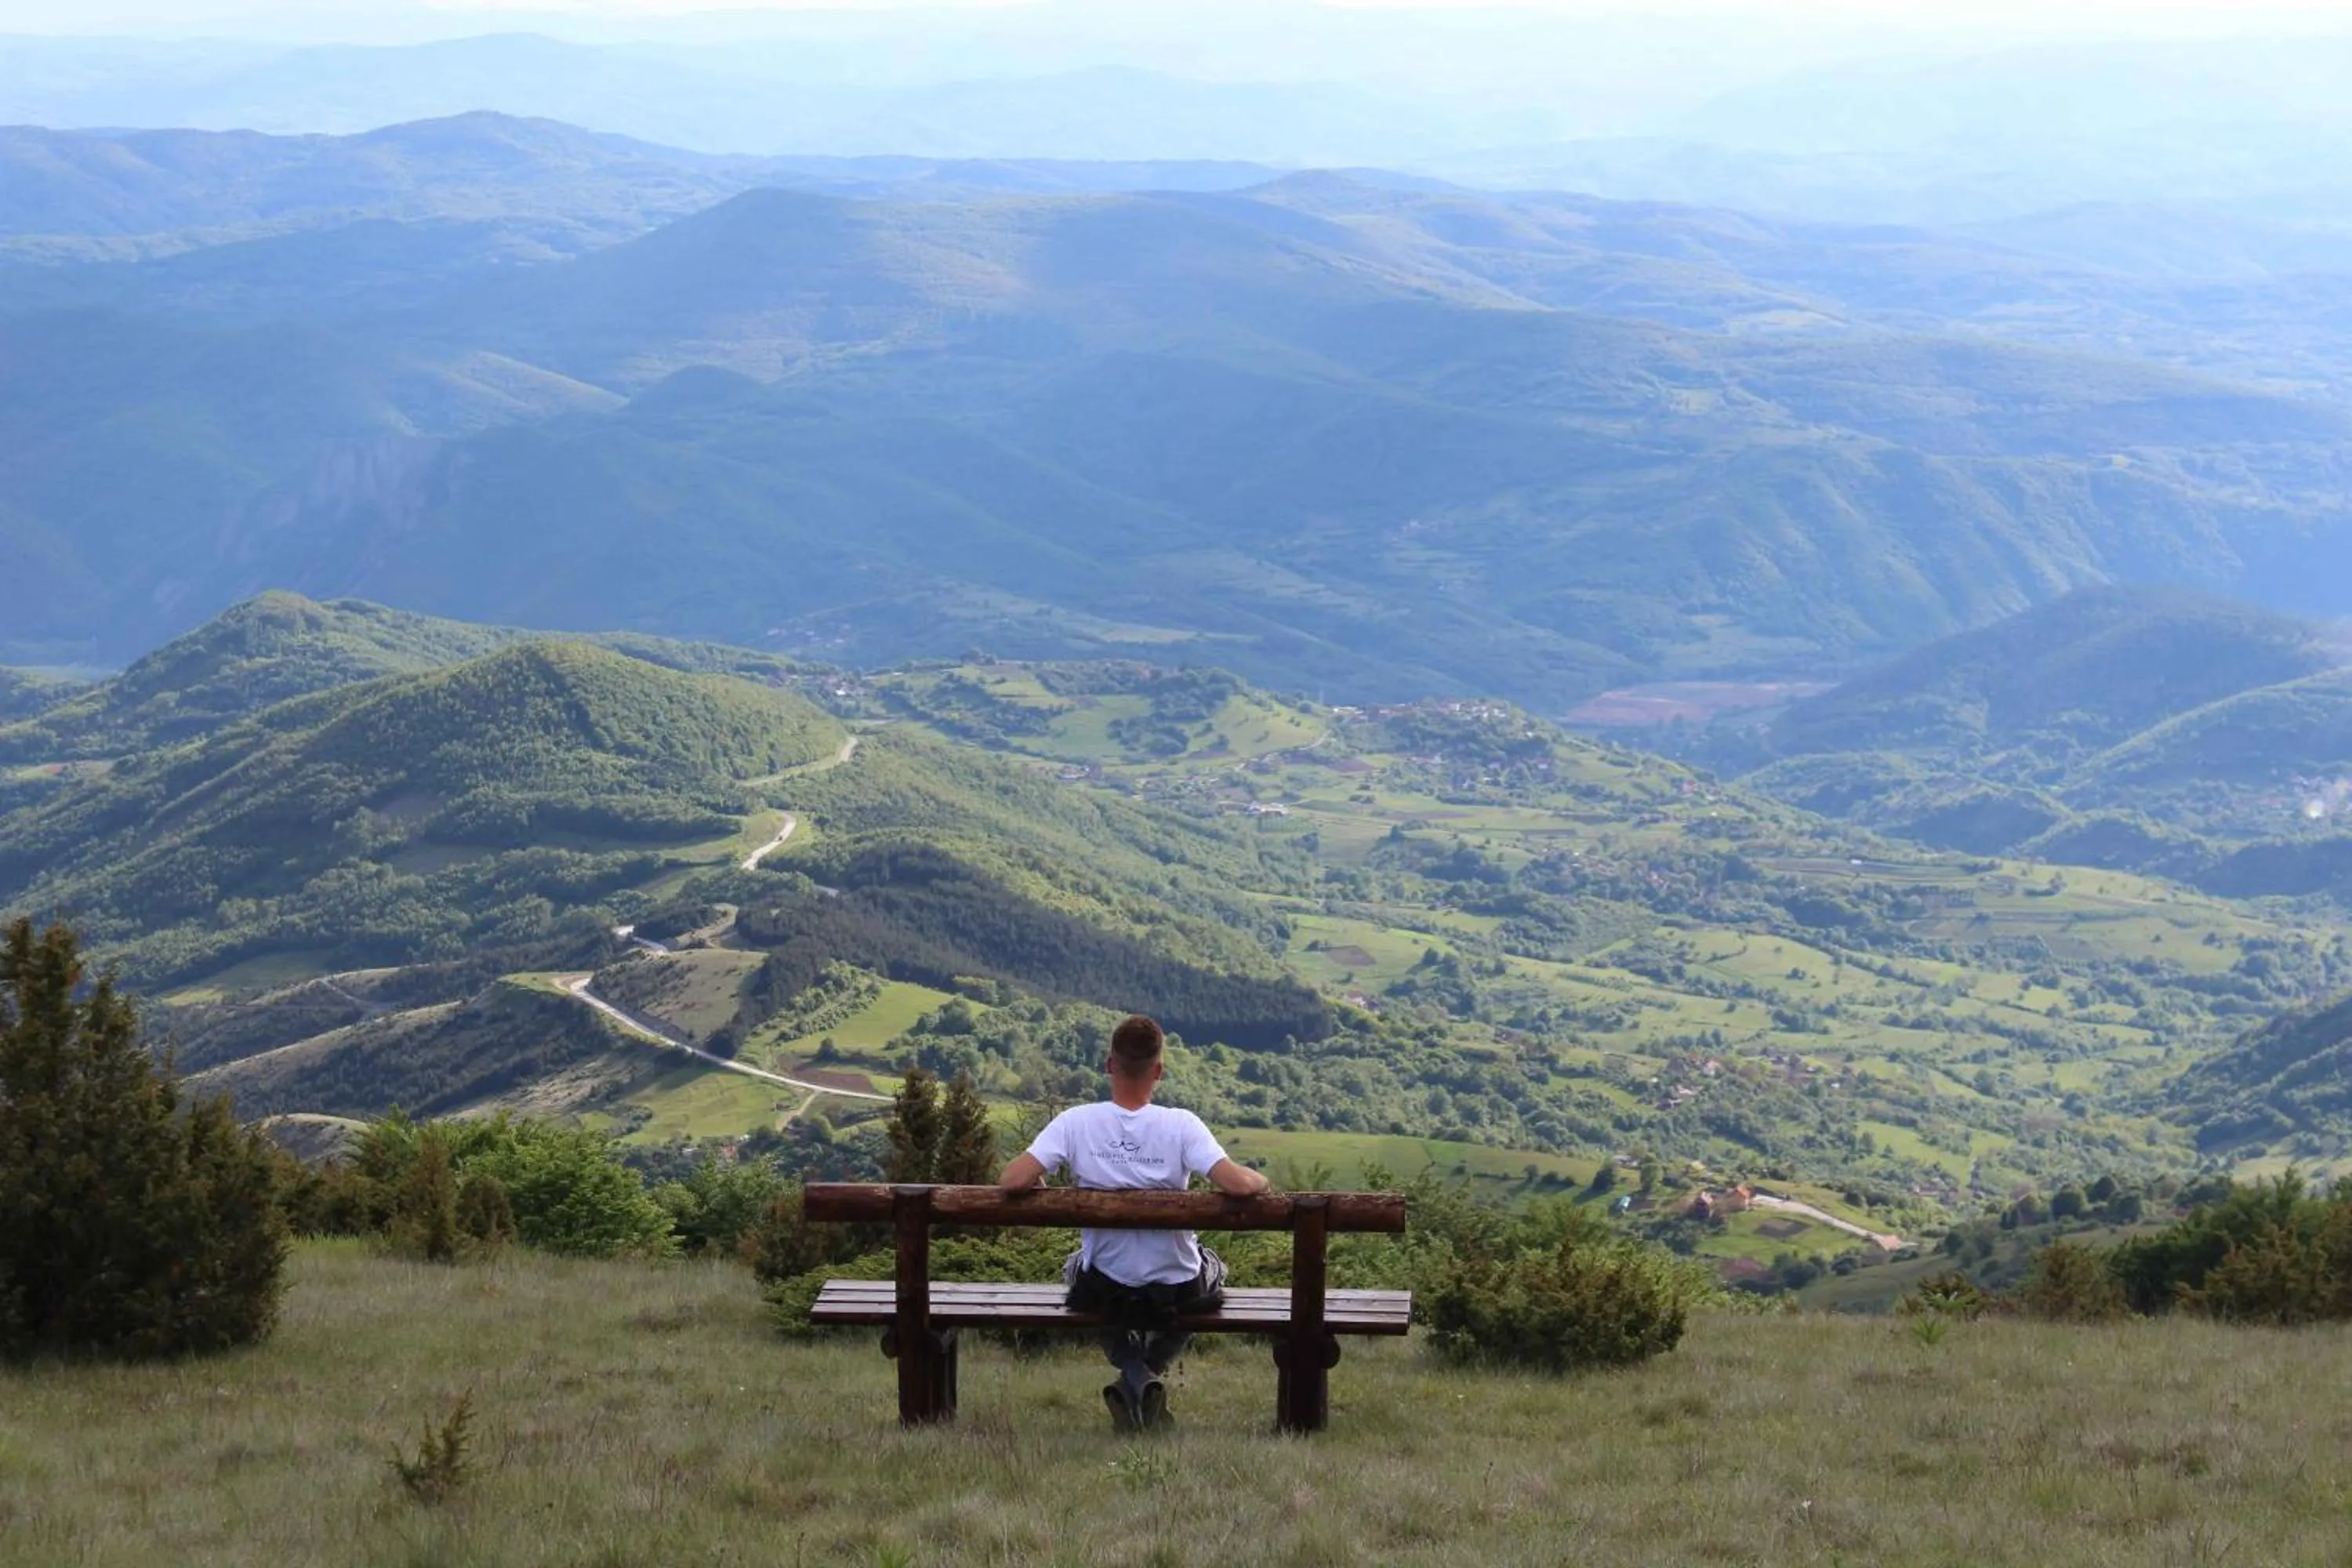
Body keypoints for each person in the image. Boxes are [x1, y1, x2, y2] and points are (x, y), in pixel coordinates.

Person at [998, 1013, 1269, 1431]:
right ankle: (1149, 1372)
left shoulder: (1076, 1123)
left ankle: (1134, 1373)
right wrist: (1260, 1178)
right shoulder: (1181, 1126)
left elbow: (1012, 1179)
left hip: (1107, 1287)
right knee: (1214, 1268)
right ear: (1158, 1070)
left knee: (1077, 1270)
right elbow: (1238, 1183)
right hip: (1176, 1289)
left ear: (1110, 1065)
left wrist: (1040, 1178)